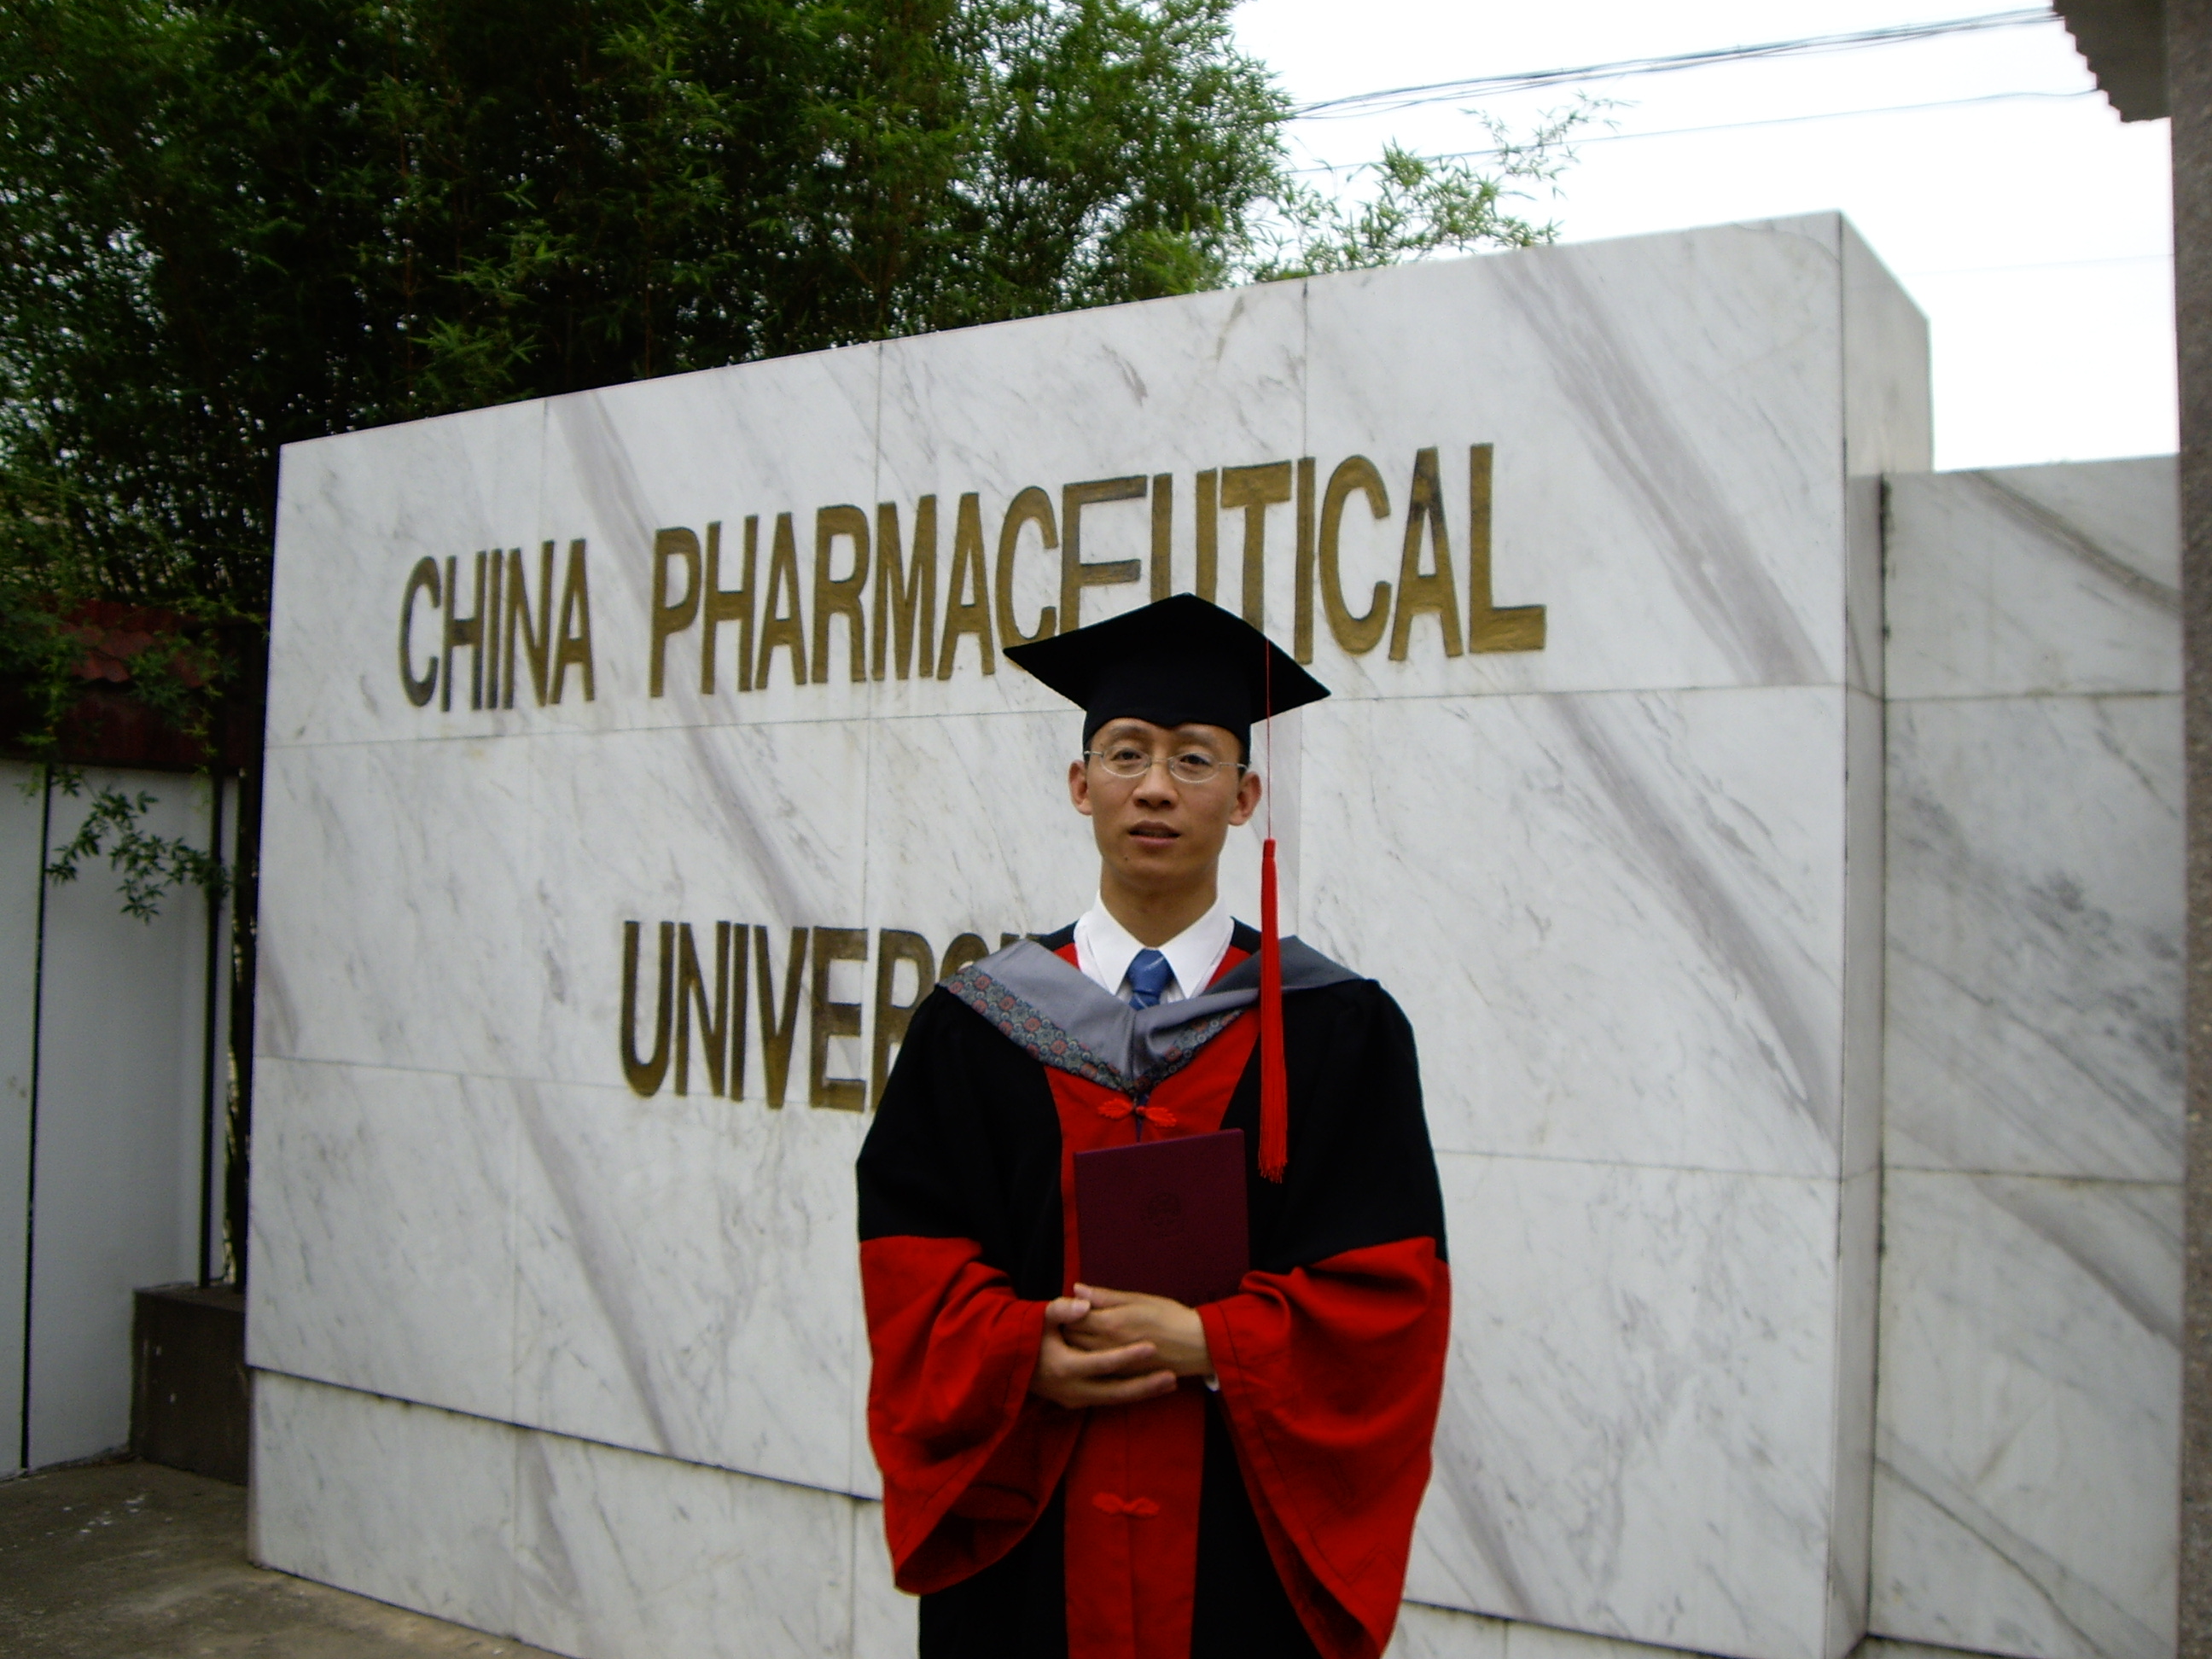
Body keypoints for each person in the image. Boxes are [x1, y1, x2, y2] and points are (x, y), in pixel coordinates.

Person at [857, 594, 1448, 1659]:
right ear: (1080, 785)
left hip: (1238, 1541)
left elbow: (1391, 1296)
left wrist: (1216, 1343)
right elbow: (911, 1264)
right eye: (1127, 753)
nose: (1157, 786)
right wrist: (1017, 1352)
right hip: (1031, 1531)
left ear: (1245, 796)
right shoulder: (973, 1025)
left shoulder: (1336, 1028)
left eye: (1194, 759)